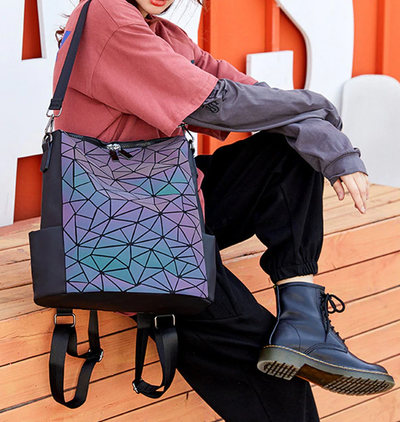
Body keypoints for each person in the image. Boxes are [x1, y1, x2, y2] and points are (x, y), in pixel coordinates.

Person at [53, 0, 394, 420]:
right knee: (272, 377)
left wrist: (322, 136)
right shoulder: (106, 15)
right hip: (125, 239)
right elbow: (217, 103)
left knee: (288, 150)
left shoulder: (163, 35)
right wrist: (317, 107)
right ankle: (292, 338)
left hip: (170, 203)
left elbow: (254, 97)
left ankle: (303, 318)